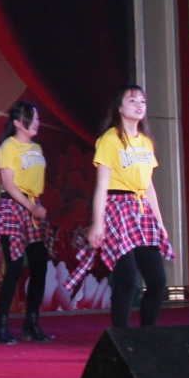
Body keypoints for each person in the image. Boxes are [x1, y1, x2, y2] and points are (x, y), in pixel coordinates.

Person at [64, 84, 174, 327]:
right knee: (127, 279)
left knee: (157, 280)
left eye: (142, 101)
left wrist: (160, 223)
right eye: (132, 100)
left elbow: (148, 186)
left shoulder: (145, 142)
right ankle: (121, 337)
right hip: (117, 209)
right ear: (119, 108)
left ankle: (147, 335)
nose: (139, 105)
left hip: (142, 210)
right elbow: (101, 185)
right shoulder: (109, 140)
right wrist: (97, 223)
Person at [0, 102, 53, 344]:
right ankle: (0, 326)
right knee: (14, 267)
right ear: (18, 123)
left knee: (40, 266)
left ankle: (31, 324)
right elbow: (9, 184)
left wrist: (35, 206)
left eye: (38, 118)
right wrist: (31, 207)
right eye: (32, 118)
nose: (37, 122)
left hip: (33, 208)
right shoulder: (7, 147)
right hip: (13, 208)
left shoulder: (37, 148)